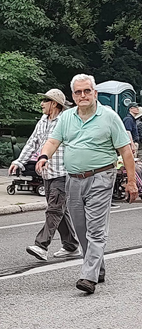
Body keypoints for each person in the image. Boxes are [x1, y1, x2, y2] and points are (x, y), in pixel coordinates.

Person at [36, 74, 138, 294]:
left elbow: (126, 152)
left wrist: (131, 182)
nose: (83, 95)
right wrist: (43, 157)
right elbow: (53, 140)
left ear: (95, 93)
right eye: (78, 92)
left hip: (101, 177)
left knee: (96, 230)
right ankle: (97, 266)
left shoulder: (109, 117)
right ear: (73, 96)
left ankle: (88, 276)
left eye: (87, 91)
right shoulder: (67, 118)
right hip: (73, 178)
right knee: (81, 227)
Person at [9, 89, 81, 261]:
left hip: (64, 173)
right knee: (60, 211)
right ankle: (71, 246)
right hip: (47, 173)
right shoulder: (42, 120)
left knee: (54, 210)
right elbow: (32, 142)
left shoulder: (66, 121)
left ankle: (41, 245)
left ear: (54, 104)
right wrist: (19, 161)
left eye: (45, 100)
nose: (41, 103)